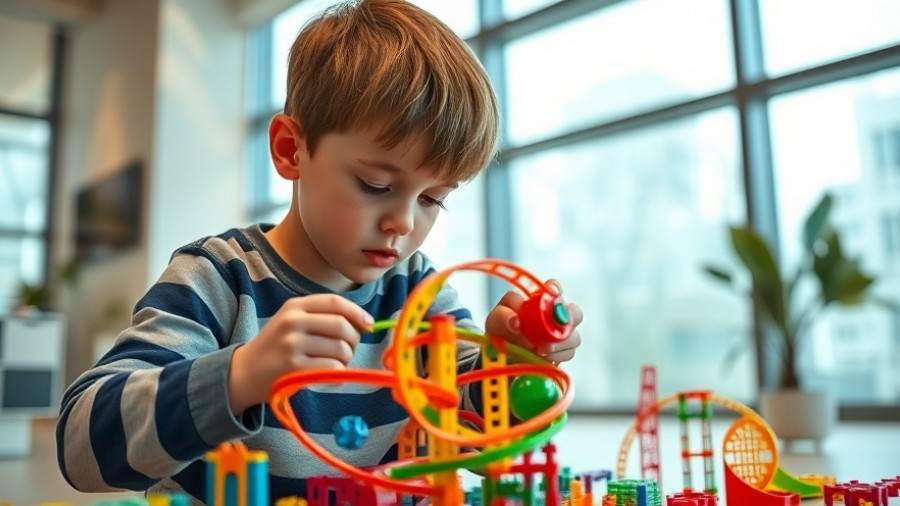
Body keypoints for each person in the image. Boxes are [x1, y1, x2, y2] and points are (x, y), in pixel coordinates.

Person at [55, 0, 583, 503]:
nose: (403, 223)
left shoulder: (420, 293)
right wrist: (240, 376)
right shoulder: (216, 279)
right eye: (376, 185)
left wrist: (513, 363)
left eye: (432, 199)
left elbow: (480, 435)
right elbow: (82, 448)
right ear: (290, 149)